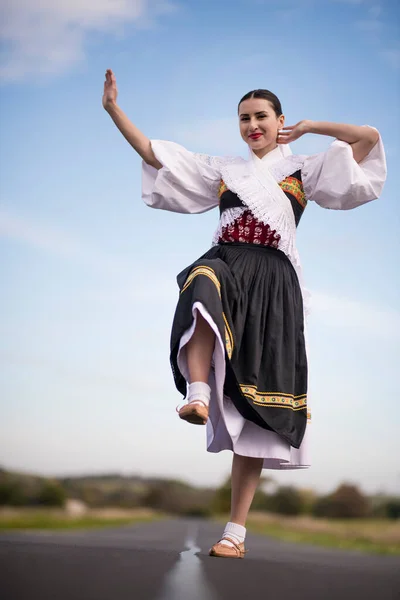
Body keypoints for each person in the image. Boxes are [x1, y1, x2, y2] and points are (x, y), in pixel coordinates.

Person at [103, 69, 386, 559]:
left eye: (260, 117)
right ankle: (198, 393)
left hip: (275, 283)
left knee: (257, 408)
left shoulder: (306, 167)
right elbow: (155, 154)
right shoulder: (224, 169)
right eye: (243, 118)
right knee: (199, 284)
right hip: (228, 261)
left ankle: (234, 533)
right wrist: (113, 110)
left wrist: (313, 125)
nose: (252, 125)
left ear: (279, 121)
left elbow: (369, 139)